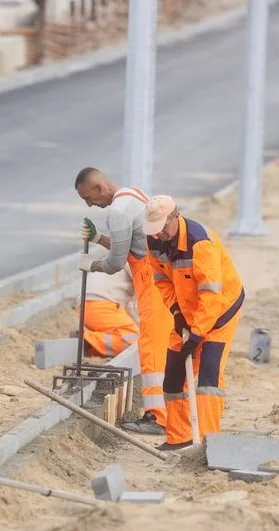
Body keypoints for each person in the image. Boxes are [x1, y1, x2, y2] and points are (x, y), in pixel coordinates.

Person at [75, 167, 174, 436]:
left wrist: (92, 265)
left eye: (88, 198)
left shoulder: (116, 212)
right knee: (164, 344)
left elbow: (117, 262)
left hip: (151, 280)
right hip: (160, 276)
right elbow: (129, 246)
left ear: (98, 188)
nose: (90, 204)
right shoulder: (134, 195)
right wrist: (97, 238)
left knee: (151, 346)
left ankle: (158, 417)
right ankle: (170, 411)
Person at [143, 195, 245, 451]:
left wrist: (198, 336)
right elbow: (162, 281)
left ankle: (210, 444)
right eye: (154, 229)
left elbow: (210, 295)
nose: (159, 234)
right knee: (174, 376)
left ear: (175, 217)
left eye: (163, 227)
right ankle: (179, 438)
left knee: (208, 379)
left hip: (220, 312)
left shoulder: (200, 243)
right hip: (187, 313)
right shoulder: (154, 242)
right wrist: (177, 313)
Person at [81, 258, 139, 358]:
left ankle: (89, 344)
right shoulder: (139, 260)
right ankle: (87, 341)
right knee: (137, 342)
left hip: (87, 306)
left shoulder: (122, 254)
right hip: (103, 306)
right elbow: (135, 305)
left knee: (123, 336)